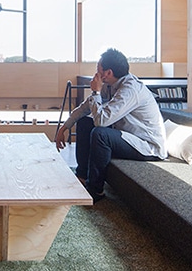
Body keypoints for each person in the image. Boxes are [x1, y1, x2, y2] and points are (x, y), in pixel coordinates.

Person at [55, 48, 167, 202]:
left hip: (146, 145)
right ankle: (82, 176)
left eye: (98, 69)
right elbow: (86, 107)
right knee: (85, 122)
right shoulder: (109, 85)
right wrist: (64, 127)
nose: (96, 73)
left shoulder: (130, 90)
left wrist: (95, 92)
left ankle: (95, 191)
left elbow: (102, 121)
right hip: (126, 137)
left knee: (100, 134)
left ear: (107, 72)